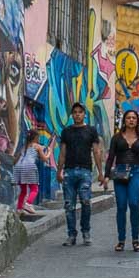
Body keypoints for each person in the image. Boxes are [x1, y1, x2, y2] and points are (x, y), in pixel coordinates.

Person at [58, 103, 104, 247]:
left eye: (80, 112)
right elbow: (63, 152)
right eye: (75, 112)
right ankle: (71, 234)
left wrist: (101, 173)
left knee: (85, 201)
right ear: (72, 115)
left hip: (85, 171)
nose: (77, 114)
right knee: (69, 205)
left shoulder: (91, 131)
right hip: (69, 171)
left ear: (84, 114)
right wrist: (59, 170)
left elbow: (96, 152)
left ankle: (86, 231)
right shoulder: (66, 131)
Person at [104, 109, 139, 252]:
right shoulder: (117, 138)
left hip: (136, 172)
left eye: (134, 118)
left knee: (134, 204)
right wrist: (106, 176)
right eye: (128, 118)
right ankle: (121, 240)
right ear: (124, 120)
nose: (131, 120)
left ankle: (135, 239)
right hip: (120, 172)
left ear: (137, 121)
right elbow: (111, 157)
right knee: (121, 206)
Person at [13, 129, 51, 217]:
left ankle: (19, 209)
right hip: (29, 166)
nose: (39, 139)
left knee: (23, 190)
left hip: (19, 167)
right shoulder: (37, 146)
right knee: (34, 189)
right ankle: (28, 204)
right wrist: (49, 152)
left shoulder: (24, 147)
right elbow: (44, 159)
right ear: (35, 137)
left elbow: (15, 161)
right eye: (38, 137)